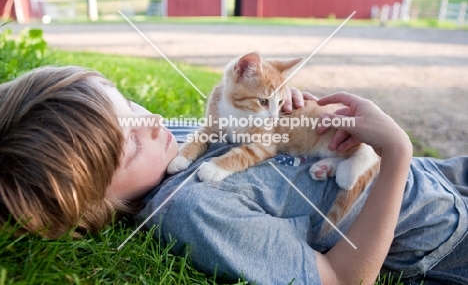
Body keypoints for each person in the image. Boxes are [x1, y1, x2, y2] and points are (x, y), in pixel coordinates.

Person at [0, 65, 467, 285]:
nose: (149, 121)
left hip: (438, 172)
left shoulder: (167, 144)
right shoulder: (194, 210)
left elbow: (249, 121)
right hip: (443, 234)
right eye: (132, 144)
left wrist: (289, 109)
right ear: (100, 204)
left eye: (128, 103)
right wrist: (398, 151)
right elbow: (347, 279)